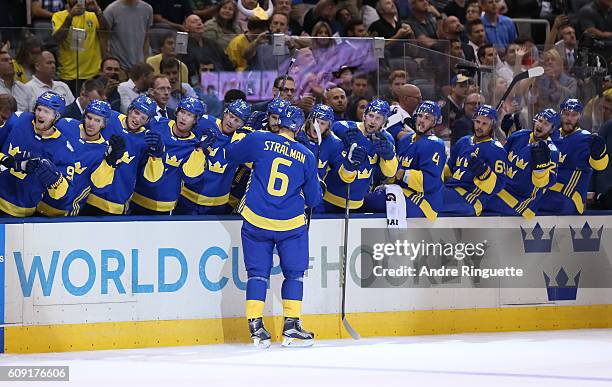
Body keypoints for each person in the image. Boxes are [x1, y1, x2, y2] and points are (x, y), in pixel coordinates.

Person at [226, 104, 323, 348]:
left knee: (257, 275)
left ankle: (256, 328)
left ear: (278, 121)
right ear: (299, 127)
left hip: (256, 220)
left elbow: (231, 153)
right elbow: (314, 200)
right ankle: (291, 328)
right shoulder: (307, 155)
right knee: (294, 275)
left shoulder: (259, 139)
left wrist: (246, 132)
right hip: (290, 225)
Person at [36, 100, 126, 216]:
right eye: (89, 117)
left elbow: (99, 184)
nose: (91, 123)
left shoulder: (103, 150)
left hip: (67, 212)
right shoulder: (65, 125)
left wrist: (111, 162)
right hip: (37, 203)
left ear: (104, 124)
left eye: (97, 120)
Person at [81, 95, 164, 215]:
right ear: (130, 109)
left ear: (147, 121)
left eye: (143, 117)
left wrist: (157, 154)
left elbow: (152, 177)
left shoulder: (147, 140)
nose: (137, 119)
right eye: (136, 112)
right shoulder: (109, 117)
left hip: (117, 203)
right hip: (88, 196)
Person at [131, 97, 216, 215]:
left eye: (190, 115)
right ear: (176, 112)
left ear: (196, 120)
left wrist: (201, 150)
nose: (184, 117)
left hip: (164, 206)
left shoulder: (194, 145)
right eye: (182, 112)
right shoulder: (156, 124)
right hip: (136, 198)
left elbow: (190, 177)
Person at [0, 91, 75, 217]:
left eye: (46, 112)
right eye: (39, 109)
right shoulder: (18, 120)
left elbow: (65, 194)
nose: (40, 114)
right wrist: (9, 161)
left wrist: (56, 181)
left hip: (20, 212)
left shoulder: (63, 148)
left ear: (56, 117)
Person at [175, 99, 251, 215]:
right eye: (231, 116)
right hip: (186, 197)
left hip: (216, 205)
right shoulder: (204, 122)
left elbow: (253, 162)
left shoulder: (242, 140)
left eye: (237, 120)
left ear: (242, 125)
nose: (231, 122)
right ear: (225, 113)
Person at [320, 99, 398, 212]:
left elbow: (390, 173)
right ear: (364, 116)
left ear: (384, 122)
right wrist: (340, 145)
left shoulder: (386, 140)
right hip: (328, 198)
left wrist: (389, 156)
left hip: (357, 203)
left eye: (378, 118)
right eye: (371, 116)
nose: (373, 121)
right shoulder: (342, 128)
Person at [484, 109, 561, 218]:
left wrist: (541, 170)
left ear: (552, 129)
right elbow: (500, 159)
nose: (540, 125)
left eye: (546, 124)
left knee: (479, 202)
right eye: (540, 120)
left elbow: (547, 183)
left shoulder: (551, 152)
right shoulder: (519, 136)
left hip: (520, 202)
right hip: (500, 191)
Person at [539, 99, 608, 215]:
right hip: (546, 192)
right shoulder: (552, 135)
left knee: (539, 203)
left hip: (569, 197)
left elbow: (600, 166)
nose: (569, 119)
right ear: (560, 114)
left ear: (580, 116)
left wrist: (599, 154)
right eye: (566, 114)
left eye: (574, 115)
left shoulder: (586, 139)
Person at [441, 105, 507, 216]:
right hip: (451, 190)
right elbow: (449, 167)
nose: (479, 126)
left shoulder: (496, 149)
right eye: (477, 122)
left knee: (431, 200)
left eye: (484, 123)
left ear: (492, 126)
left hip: (470, 199)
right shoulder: (464, 141)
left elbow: (498, 187)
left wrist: (485, 174)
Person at [392, 100, 447, 220]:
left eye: (427, 118)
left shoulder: (435, 144)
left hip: (424, 201)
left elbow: (430, 182)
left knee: (370, 202)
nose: (422, 120)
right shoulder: (406, 140)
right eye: (420, 116)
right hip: (402, 192)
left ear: (435, 122)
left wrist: (403, 173)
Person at [51, 0, 108, 96]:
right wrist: (70, 16)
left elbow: (106, 31)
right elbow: (58, 38)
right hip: (69, 75)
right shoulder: (58, 16)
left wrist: (97, 10)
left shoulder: (92, 15)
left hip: (92, 74)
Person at [103, 0, 154, 69]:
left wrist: (145, 61)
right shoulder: (111, 10)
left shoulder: (147, 9)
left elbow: (146, 38)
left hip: (140, 67)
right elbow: (104, 39)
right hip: (119, 66)